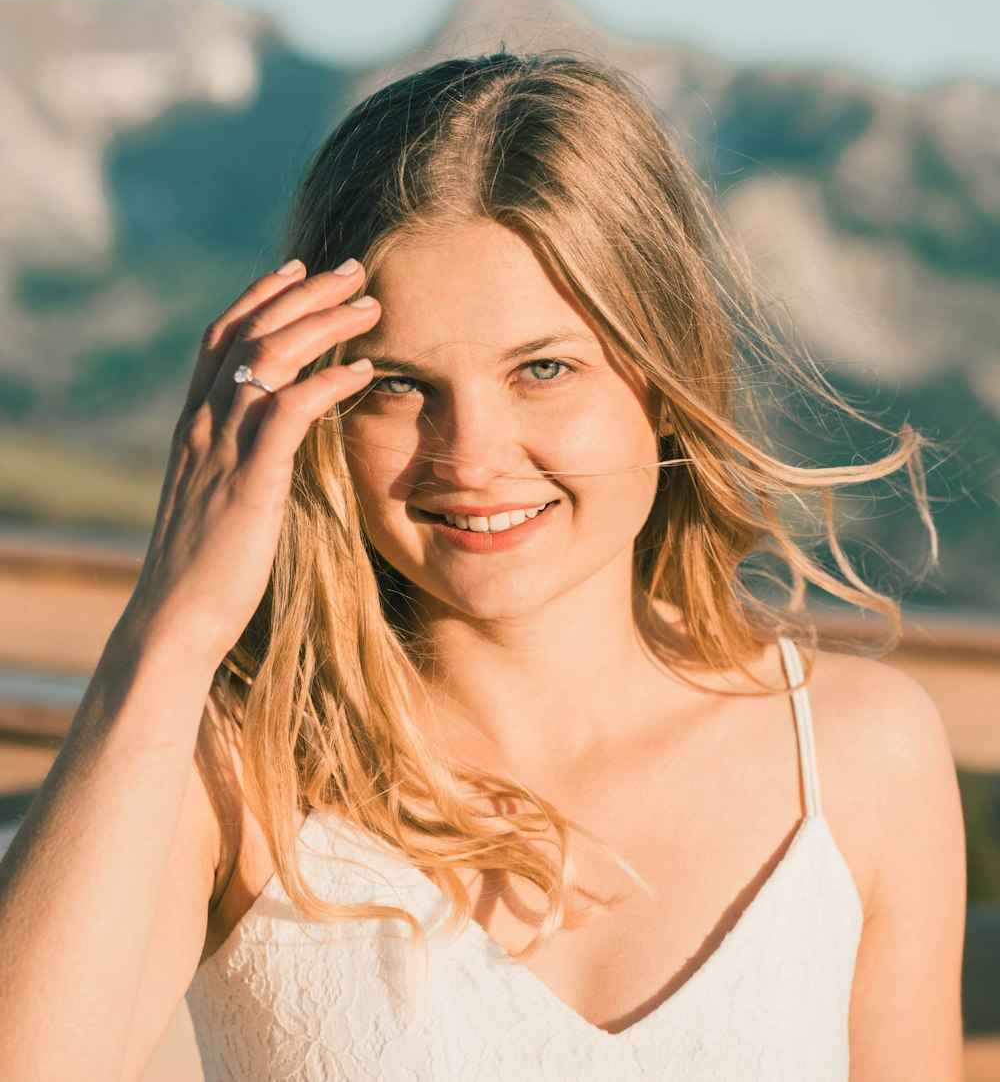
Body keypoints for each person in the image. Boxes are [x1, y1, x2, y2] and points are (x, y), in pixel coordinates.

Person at [0, 53, 966, 1081]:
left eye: (542, 368)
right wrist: (170, 626)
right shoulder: (239, 771)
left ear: (662, 371)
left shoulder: (863, 757)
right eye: (399, 384)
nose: (469, 456)